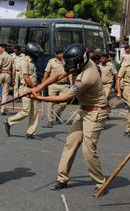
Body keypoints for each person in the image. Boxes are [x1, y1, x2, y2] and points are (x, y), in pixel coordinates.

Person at [29, 44, 109, 196]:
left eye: (71, 63)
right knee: (70, 143)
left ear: (80, 61)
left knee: (88, 150)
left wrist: (39, 97)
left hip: (96, 113)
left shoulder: (87, 77)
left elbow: (64, 98)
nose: (68, 66)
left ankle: (101, 182)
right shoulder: (80, 64)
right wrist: (40, 87)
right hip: (84, 110)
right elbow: (59, 75)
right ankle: (62, 179)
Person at [3, 42, 43, 139]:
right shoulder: (25, 61)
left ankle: (30, 132)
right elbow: (26, 77)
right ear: (30, 52)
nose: (37, 54)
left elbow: (33, 76)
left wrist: (37, 87)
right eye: (35, 52)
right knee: (26, 111)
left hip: (32, 88)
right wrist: (34, 88)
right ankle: (9, 122)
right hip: (26, 88)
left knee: (34, 111)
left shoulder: (32, 61)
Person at [43, 46, 73, 128]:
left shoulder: (66, 61)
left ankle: (59, 113)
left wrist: (71, 84)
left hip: (64, 85)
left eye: (62, 53)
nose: (62, 55)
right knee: (51, 103)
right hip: (53, 85)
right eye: (60, 53)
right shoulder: (51, 62)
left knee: (64, 103)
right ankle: (50, 120)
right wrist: (43, 84)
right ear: (56, 54)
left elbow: (69, 73)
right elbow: (46, 73)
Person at [0, 43, 14, 115]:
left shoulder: (1, 56)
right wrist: (13, 78)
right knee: (5, 93)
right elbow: (13, 69)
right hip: (8, 75)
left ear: (3, 48)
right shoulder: (11, 57)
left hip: (0, 74)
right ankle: (3, 109)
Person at [116, 53, 130, 136]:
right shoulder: (126, 66)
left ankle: (128, 129)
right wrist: (118, 92)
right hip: (128, 89)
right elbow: (118, 79)